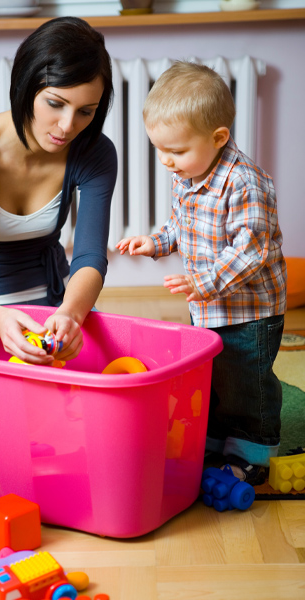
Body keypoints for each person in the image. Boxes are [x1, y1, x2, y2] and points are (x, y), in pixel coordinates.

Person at [116, 61, 287, 486]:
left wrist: (203, 281)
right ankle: (213, 438)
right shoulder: (190, 173)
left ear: (218, 138)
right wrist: (156, 243)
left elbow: (252, 250)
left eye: (176, 151)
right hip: (208, 305)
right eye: (160, 150)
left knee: (246, 378)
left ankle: (253, 451)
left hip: (251, 310)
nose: (167, 162)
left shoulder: (244, 183)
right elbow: (184, 226)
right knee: (213, 371)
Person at [0, 17, 117, 366]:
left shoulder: (95, 150)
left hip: (57, 304)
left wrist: (72, 315)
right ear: (26, 85)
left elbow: (91, 257)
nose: (68, 126)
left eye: (85, 112)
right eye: (55, 103)